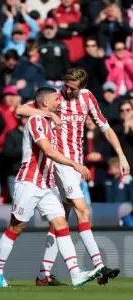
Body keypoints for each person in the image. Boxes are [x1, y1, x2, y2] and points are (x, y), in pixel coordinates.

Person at [15, 67, 129, 285]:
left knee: (61, 219)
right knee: (82, 210)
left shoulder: (87, 99)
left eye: (72, 88)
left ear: (82, 88)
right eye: (66, 85)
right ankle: (99, 266)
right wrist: (48, 113)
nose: (67, 90)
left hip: (75, 165)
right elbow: (20, 110)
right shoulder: (55, 98)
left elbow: (105, 128)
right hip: (60, 163)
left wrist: (121, 156)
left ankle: (43, 275)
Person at [0, 87, 100, 288]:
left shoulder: (48, 119)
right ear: (46, 103)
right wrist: (75, 164)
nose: (60, 102)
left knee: (61, 224)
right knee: (17, 226)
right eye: (57, 99)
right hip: (29, 183)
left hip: (47, 184)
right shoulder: (35, 121)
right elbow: (47, 151)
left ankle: (75, 274)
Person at [38, 18, 71, 89]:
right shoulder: (38, 44)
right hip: (43, 82)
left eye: (51, 28)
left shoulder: (61, 45)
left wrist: (68, 79)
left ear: (55, 29)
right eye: (47, 28)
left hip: (60, 82)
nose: (49, 31)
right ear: (43, 29)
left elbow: (67, 64)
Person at [2, 116, 28, 200]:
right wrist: (25, 150)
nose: (26, 119)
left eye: (29, 117)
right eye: (25, 116)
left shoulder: (35, 134)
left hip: (31, 175)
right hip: (15, 174)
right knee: (16, 204)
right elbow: (8, 152)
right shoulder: (11, 134)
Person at [112, 100, 133, 175]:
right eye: (122, 110)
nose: (125, 112)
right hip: (122, 168)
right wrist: (126, 130)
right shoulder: (116, 128)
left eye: (128, 110)